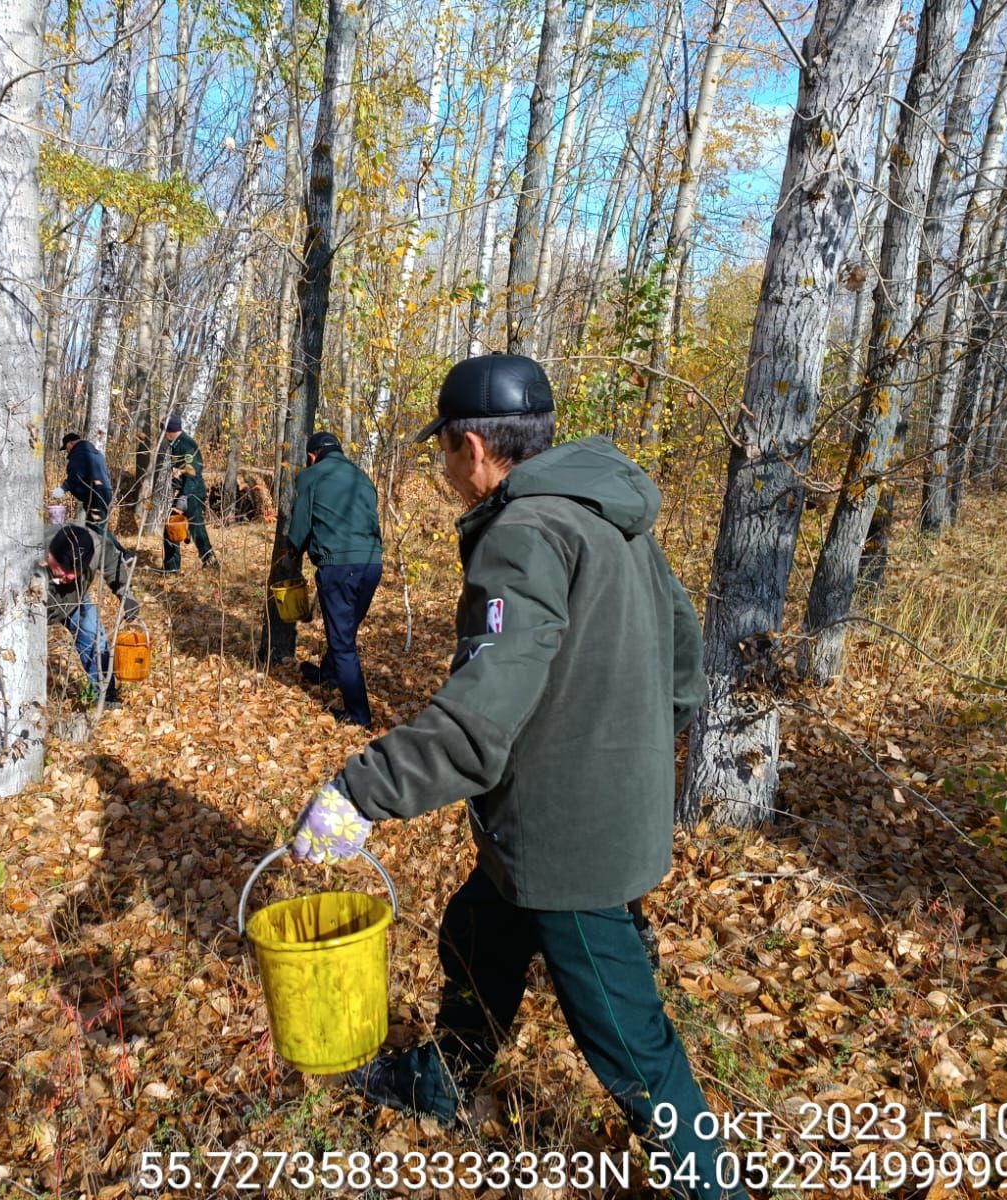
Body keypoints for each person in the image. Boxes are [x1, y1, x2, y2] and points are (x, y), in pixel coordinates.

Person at [288, 353, 736, 1200]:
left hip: (571, 844)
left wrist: (357, 792)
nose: (446, 470)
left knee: (631, 1042)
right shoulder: (609, 515)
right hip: (563, 819)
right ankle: (441, 1084)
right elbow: (684, 661)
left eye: (445, 453)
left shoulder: (525, 534)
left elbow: (479, 718)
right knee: (478, 934)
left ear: (474, 448)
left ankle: (712, 1185)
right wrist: (630, 751)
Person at [286, 430, 382, 728]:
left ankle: (358, 715)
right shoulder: (361, 478)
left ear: (313, 456)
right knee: (345, 628)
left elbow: (301, 524)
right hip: (372, 563)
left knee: (342, 642)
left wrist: (291, 552)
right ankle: (327, 675)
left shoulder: (311, 476)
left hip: (340, 567)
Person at [58, 432, 140, 622]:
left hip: (95, 494)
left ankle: (123, 555)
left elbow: (76, 475)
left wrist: (64, 488)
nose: (67, 451)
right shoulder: (94, 452)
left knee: (97, 529)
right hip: (103, 492)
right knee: (95, 527)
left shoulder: (80, 452)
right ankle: (120, 554)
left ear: (70, 443)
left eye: (66, 447)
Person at [44, 523, 123, 708]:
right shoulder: (30, 550)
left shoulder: (93, 547)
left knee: (94, 638)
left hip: (75, 600)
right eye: (64, 569)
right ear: (50, 555)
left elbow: (112, 559)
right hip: (34, 608)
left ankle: (105, 696)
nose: (69, 576)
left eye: (74, 571)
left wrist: (125, 594)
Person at [160, 415, 218, 571]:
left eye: (164, 430)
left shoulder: (187, 445)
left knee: (197, 530)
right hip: (183, 493)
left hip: (191, 494)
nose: (163, 434)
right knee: (171, 528)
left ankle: (211, 563)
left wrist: (182, 501)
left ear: (170, 431)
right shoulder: (176, 443)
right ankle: (171, 567)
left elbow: (193, 474)